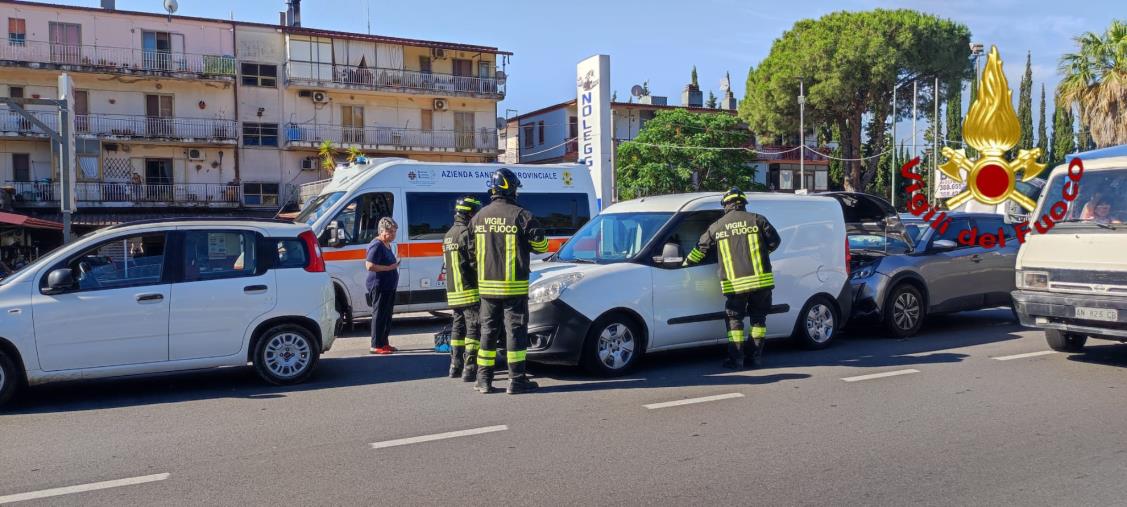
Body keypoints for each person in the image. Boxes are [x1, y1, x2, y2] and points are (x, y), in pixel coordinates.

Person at [470, 168, 550, 394]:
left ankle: (483, 380)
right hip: (513, 287)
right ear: (511, 189)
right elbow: (541, 248)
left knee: (487, 333)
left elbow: (471, 250)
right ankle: (516, 380)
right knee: (515, 333)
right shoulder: (522, 215)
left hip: (486, 288)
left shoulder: (479, 216)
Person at [684, 188, 781, 369]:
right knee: (758, 320)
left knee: (734, 320)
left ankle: (736, 359)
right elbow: (775, 242)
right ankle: (755, 358)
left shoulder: (717, 226)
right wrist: (762, 253)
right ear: (743, 203)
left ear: (726, 205)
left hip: (734, 284)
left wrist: (686, 264)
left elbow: (700, 249)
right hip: (762, 282)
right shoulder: (758, 219)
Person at [443, 195, 484, 381]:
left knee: (457, 329)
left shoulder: (449, 233)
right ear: (469, 213)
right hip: (468, 290)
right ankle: (470, 368)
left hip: (453, 291)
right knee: (473, 329)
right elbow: (475, 262)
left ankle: (454, 365)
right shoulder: (467, 233)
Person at [366, 217, 400, 355]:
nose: (393, 234)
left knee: (386, 316)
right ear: (381, 231)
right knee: (379, 315)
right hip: (379, 285)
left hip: (389, 286)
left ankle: (384, 342)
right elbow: (369, 266)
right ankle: (375, 345)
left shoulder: (388, 245)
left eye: (394, 232)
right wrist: (389, 268)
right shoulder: (376, 245)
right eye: (390, 232)